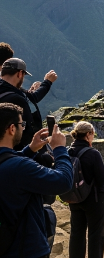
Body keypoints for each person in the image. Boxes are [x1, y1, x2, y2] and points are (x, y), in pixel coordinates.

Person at [0, 102, 73, 258]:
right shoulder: (20, 167)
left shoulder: (13, 164)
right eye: (22, 124)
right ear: (12, 129)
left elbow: (9, 166)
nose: (23, 127)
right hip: (25, 249)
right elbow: (64, 181)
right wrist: (60, 149)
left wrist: (30, 149)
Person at [67, 122, 104, 258]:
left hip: (74, 197)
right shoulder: (92, 153)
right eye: (92, 133)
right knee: (96, 234)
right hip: (94, 199)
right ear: (87, 135)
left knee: (76, 232)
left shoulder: (68, 152)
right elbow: (103, 179)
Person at [0, 58, 58, 150]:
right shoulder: (17, 98)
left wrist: (46, 83)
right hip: (22, 152)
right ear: (19, 74)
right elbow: (28, 129)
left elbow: (32, 98)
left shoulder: (12, 91)